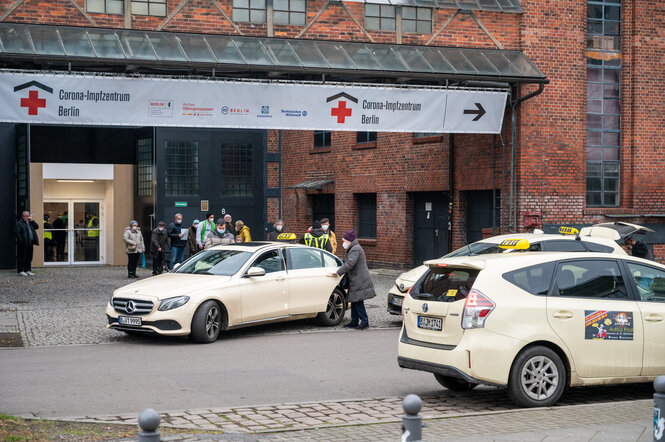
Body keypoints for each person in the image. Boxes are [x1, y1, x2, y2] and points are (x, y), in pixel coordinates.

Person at [334, 230, 376, 330]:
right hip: (356, 279)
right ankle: (354, 321)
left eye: (344, 241)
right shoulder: (353, 248)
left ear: (349, 241)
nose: (343, 243)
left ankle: (364, 321)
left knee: (357, 301)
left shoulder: (355, 249)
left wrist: (338, 272)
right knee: (354, 300)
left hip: (359, 279)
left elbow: (350, 264)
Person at [16, 211, 39, 276]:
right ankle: (21, 270)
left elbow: (37, 227)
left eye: (28, 216)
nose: (27, 217)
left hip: (30, 242)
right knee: (22, 257)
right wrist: (21, 241)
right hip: (23, 243)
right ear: (22, 217)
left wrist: (32, 221)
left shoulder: (30, 223)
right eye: (26, 216)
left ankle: (27, 270)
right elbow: (18, 233)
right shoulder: (19, 223)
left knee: (29, 257)